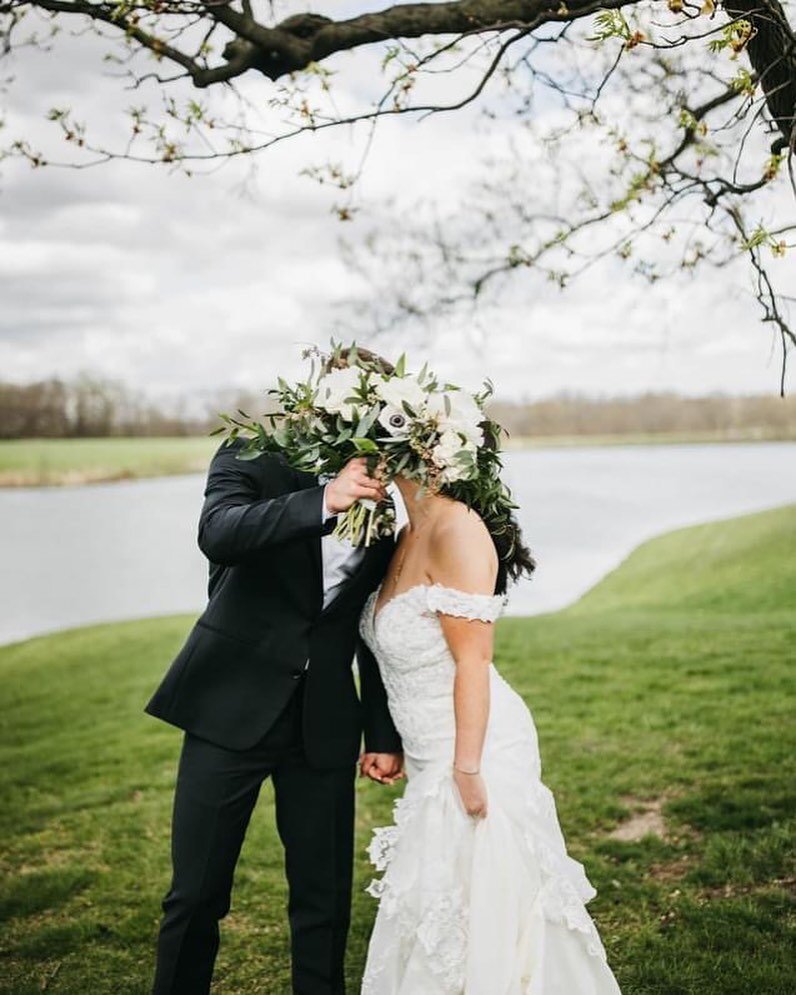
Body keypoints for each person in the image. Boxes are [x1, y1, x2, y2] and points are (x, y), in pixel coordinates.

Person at [144, 439, 404, 995]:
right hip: (228, 706)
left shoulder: (390, 500)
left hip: (325, 719)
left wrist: (382, 732)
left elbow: (375, 623)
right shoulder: (251, 456)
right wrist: (323, 500)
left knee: (324, 895)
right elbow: (218, 533)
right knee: (196, 892)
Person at [358, 466, 623, 992]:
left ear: (433, 454)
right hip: (428, 747)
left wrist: (468, 765)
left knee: (493, 898)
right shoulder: (405, 530)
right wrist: (390, 741)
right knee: (440, 896)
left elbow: (472, 663)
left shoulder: (458, 530)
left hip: (475, 745)